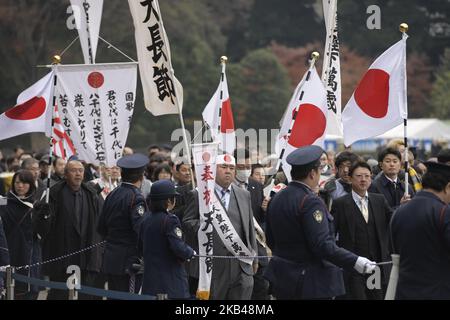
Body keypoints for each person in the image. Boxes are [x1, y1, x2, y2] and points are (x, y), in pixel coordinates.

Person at [264, 146, 376, 299]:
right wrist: (355, 260)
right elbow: (322, 244)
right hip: (308, 281)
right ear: (312, 173)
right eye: (319, 170)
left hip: (283, 277)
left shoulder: (278, 197)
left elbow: (270, 238)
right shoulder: (310, 201)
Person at [183, 154, 258, 300]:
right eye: (223, 167)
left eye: (231, 168)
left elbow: (249, 228)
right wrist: (207, 225)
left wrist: (254, 258)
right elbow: (187, 222)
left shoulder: (244, 194)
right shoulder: (199, 194)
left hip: (241, 264)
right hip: (213, 266)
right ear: (212, 170)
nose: (228, 171)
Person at [33, 159, 104, 299]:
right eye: (73, 170)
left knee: (86, 294)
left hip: (86, 255)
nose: (78, 174)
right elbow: (41, 229)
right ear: (65, 174)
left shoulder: (92, 194)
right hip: (62, 255)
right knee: (60, 294)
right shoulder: (53, 194)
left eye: (80, 170)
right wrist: (43, 214)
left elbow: (100, 225)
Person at [331, 161, 393, 300]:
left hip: (375, 266)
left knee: (376, 296)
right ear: (351, 178)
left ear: (371, 178)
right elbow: (331, 233)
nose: (363, 179)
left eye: (367, 176)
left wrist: (404, 208)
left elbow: (393, 220)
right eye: (359, 176)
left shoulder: (379, 200)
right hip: (352, 266)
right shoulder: (340, 203)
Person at [390, 161, 450, 299]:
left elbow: (395, 252)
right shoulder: (444, 212)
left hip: (405, 292)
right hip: (439, 292)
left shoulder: (399, 212)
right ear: (447, 187)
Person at [97, 154, 149, 294]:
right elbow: (141, 230)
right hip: (129, 261)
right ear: (141, 176)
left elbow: (101, 226)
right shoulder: (136, 197)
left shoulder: (113, 193)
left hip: (111, 258)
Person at [139, 180, 195, 299]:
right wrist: (191, 253)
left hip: (150, 281)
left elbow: (140, 246)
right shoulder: (170, 220)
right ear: (169, 200)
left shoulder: (146, 219)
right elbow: (178, 247)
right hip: (170, 282)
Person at [234, 148, 269, 300]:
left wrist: (265, 209)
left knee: (260, 289)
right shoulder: (228, 188)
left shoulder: (256, 186)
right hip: (236, 247)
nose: (245, 170)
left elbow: (260, 219)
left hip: (257, 249)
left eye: (248, 167)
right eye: (241, 167)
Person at [0, 170, 41, 299]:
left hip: (31, 255)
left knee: (30, 291)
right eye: (17, 182)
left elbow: (42, 234)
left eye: (24, 183)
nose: (20, 186)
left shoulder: (37, 205)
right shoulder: (4, 203)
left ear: (31, 184)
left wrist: (45, 218)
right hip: (10, 252)